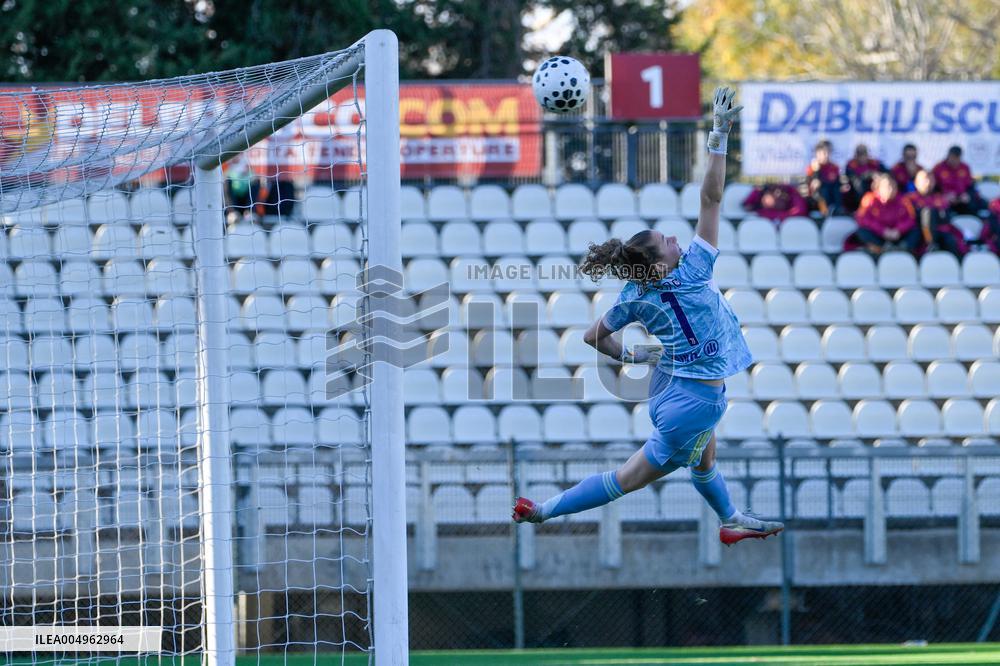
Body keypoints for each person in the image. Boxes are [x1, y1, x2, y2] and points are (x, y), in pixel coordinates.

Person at [512, 87, 783, 546]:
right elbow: (711, 199)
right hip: (693, 401)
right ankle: (541, 511)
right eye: (668, 241)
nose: (678, 240)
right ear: (660, 263)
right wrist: (719, 133)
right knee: (628, 479)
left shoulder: (636, 294)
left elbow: (592, 336)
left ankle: (731, 519)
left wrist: (636, 354)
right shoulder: (696, 270)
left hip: (670, 386)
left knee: (702, 459)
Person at [849, 173, 919, 254]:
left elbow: (911, 219)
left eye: (893, 186)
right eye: (887, 186)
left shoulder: (903, 200)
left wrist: (898, 230)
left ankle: (903, 248)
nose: (890, 189)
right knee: (861, 232)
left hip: (898, 235)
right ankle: (883, 248)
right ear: (879, 188)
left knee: (915, 231)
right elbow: (862, 219)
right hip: (880, 235)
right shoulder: (869, 199)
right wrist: (883, 231)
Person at [904, 170, 967, 257]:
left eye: (930, 179)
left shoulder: (940, 199)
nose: (928, 182)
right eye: (924, 179)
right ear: (916, 182)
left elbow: (945, 219)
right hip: (917, 232)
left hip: (939, 232)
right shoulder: (909, 199)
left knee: (951, 240)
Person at [932, 146, 986, 216]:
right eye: (952, 157)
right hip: (946, 201)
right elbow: (933, 188)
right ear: (948, 156)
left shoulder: (965, 167)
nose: (954, 160)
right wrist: (944, 196)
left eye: (957, 158)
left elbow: (970, 186)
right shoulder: (938, 168)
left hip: (962, 200)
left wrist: (968, 195)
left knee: (980, 206)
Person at [806, 139, 845, 215]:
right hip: (817, 198)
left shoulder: (834, 167)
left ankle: (838, 210)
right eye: (824, 153)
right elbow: (813, 185)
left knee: (836, 189)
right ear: (817, 154)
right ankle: (825, 212)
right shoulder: (812, 167)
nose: (826, 155)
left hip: (832, 195)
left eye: (828, 152)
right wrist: (816, 171)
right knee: (823, 188)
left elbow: (837, 183)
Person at [844, 144, 885, 212]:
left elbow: (886, 174)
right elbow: (852, 177)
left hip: (874, 188)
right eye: (859, 153)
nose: (862, 156)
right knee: (859, 184)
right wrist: (865, 175)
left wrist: (875, 175)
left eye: (864, 153)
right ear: (855, 155)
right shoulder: (851, 164)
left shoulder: (875, 163)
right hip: (857, 191)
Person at [741, 183, 809, 222]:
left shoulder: (792, 195)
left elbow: (801, 211)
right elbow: (746, 205)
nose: (767, 201)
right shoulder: (765, 212)